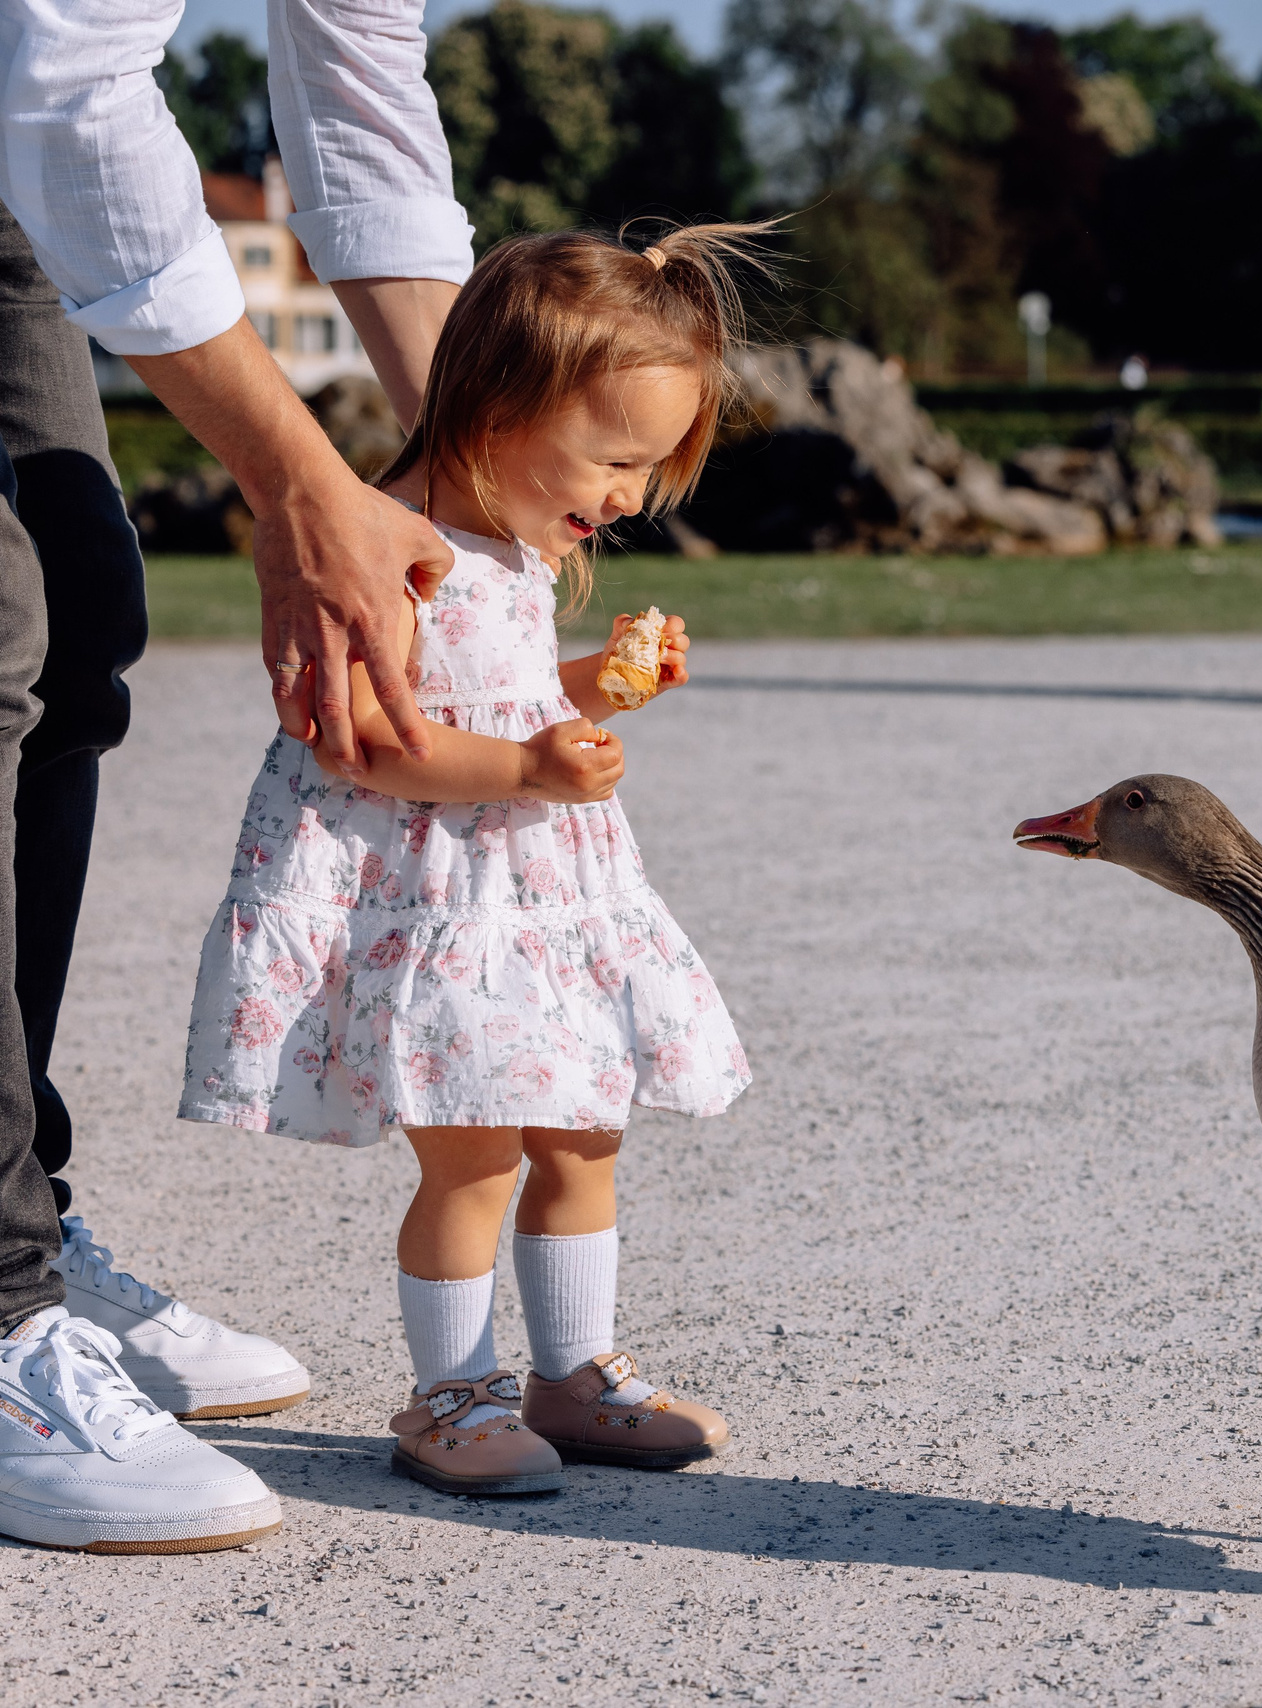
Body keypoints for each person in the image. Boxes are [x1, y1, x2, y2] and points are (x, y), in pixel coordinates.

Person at [176, 225, 760, 1496]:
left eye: (645, 473)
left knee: (582, 1134)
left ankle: (573, 1372)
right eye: (614, 461)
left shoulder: (517, 554)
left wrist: (589, 688)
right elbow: (370, 747)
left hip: (535, 896)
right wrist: (534, 771)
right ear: (498, 407)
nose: (623, 500)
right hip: (442, 904)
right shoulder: (390, 548)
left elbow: (492, 697)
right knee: (475, 1149)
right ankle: (450, 1393)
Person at [0, 1, 469, 1551]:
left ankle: (22, 1222)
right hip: (31, 96)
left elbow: (360, 105)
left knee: (79, 619)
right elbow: (69, 82)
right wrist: (296, 481)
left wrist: (483, 491)